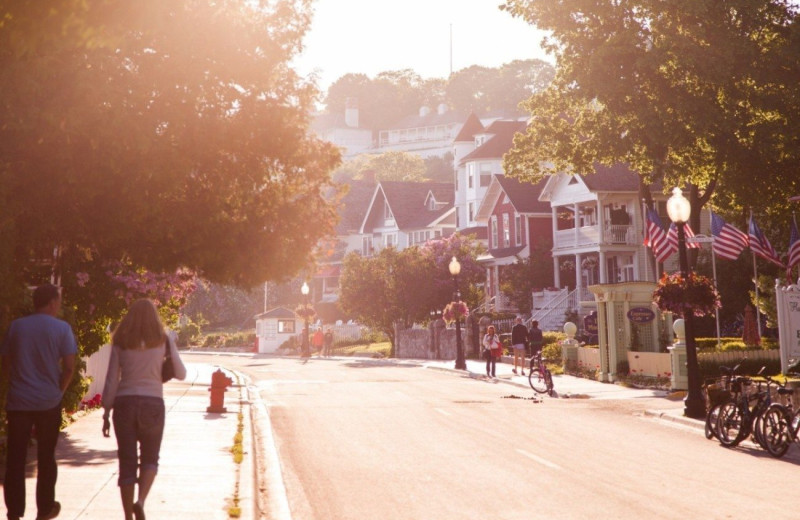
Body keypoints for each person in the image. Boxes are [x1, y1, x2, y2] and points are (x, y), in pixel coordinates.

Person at [102, 299, 187, 520]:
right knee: (150, 458)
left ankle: (128, 517)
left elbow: (112, 379)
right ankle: (140, 502)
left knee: (127, 461)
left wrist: (105, 411)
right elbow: (181, 373)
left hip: (124, 404)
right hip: (152, 403)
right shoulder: (163, 339)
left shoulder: (121, 340)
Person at [1, 284, 77, 520]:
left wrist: (11, 387)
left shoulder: (16, 327)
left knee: (15, 457)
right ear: (53, 302)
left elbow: (5, 363)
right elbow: (70, 368)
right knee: (46, 456)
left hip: (19, 401)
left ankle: (14, 511)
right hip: (48, 401)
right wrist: (58, 391)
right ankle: (44, 508)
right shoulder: (62, 329)